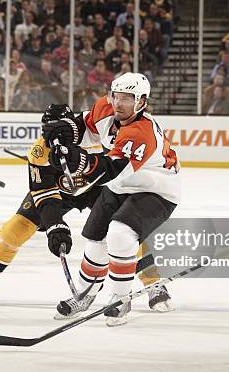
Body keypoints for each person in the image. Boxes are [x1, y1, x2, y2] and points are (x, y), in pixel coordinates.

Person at [0, 103, 174, 313]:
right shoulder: (39, 151)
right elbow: (43, 193)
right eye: (48, 131)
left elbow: (116, 164)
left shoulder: (98, 136)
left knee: (124, 232)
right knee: (14, 228)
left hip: (98, 188)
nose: (54, 140)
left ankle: (153, 283)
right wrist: (55, 225)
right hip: (58, 192)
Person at [42, 73, 181, 325]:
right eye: (117, 96)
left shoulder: (141, 131)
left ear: (141, 102)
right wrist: (66, 134)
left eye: (127, 99)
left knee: (120, 233)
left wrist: (79, 161)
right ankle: (84, 295)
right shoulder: (107, 108)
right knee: (96, 239)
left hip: (157, 189)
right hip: (121, 185)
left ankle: (120, 298)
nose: (119, 103)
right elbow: (86, 125)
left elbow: (111, 168)